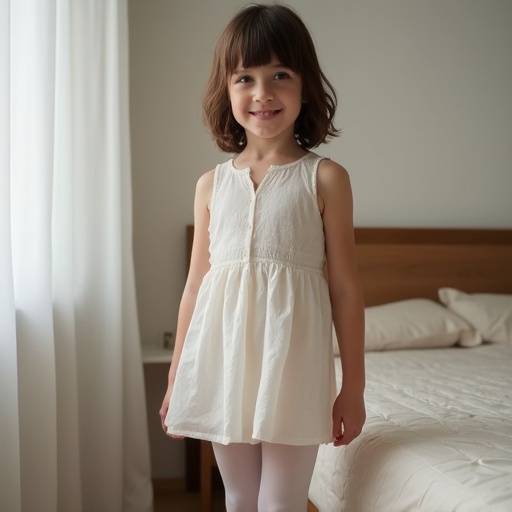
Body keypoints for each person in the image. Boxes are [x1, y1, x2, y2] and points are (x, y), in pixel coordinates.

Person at [159, 4, 366, 511]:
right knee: (239, 498)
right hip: (222, 365)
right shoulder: (211, 186)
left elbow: (344, 288)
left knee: (280, 503)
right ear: (226, 91)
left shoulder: (325, 178)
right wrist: (176, 377)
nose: (262, 93)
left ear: (306, 86)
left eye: (280, 75)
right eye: (245, 78)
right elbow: (195, 287)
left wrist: (353, 389)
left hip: (293, 367)